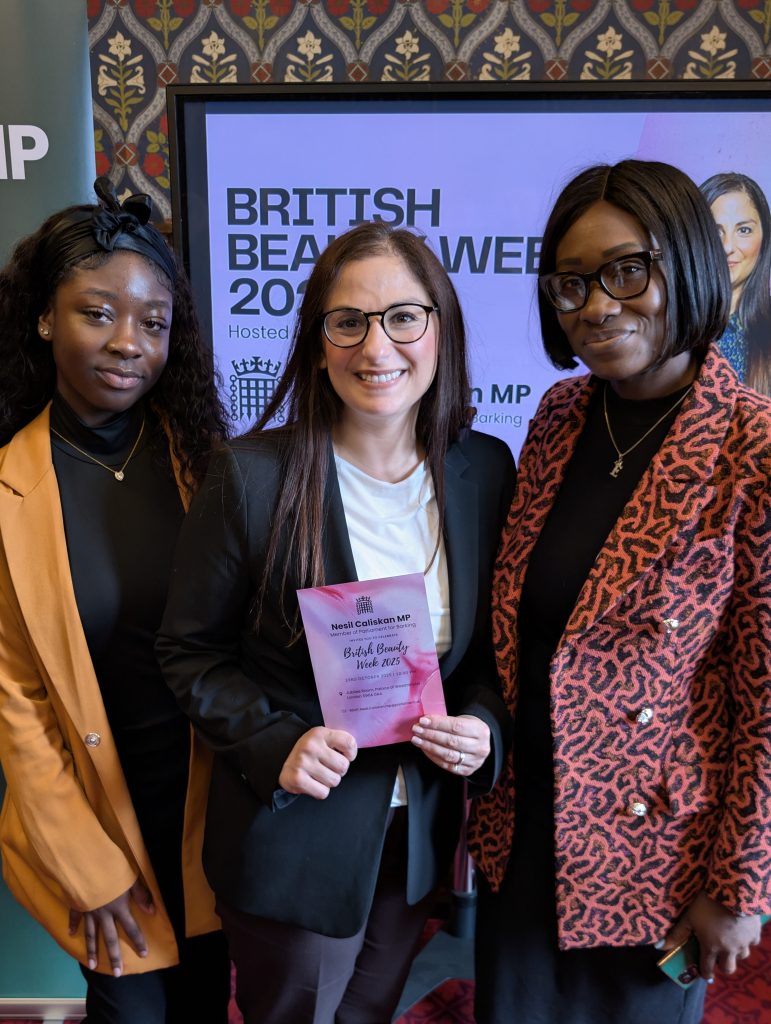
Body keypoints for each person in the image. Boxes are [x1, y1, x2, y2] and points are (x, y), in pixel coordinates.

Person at [156, 221, 515, 1024]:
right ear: (318, 342)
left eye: (402, 317)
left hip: (412, 838)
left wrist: (484, 726)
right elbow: (189, 653)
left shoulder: (483, 469)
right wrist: (272, 743)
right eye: (346, 321)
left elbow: (490, 656)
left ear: (440, 330)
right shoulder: (250, 477)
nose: (374, 346)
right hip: (295, 837)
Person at [469, 159, 771, 1024]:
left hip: (655, 857)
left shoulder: (750, 444)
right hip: (523, 829)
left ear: (686, 260)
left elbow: (762, 704)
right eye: (571, 285)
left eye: (625, 270)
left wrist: (740, 887)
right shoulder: (561, 416)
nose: (597, 305)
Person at [0, 179, 231, 1023]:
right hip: (94, 816)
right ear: (42, 319)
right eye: (98, 313)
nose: (128, 342)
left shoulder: (207, 463)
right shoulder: (6, 488)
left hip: (212, 808)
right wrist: (87, 868)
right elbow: (15, 704)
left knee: (208, 1006)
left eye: (154, 322)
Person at [700, 171, 771, 395]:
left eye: (743, 230)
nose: (727, 246)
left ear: (765, 238)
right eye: (715, 231)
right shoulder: (667, 324)